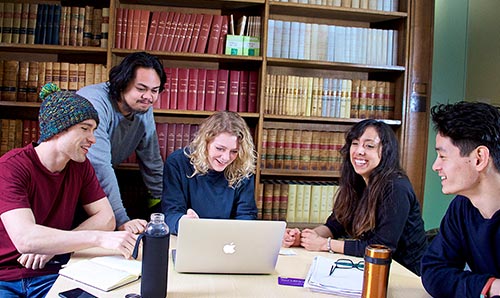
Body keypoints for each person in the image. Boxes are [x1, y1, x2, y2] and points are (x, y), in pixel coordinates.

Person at [0, 83, 137, 297]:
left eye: (93, 130)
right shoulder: (11, 167)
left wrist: (53, 247)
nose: (93, 139)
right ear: (57, 129)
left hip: (53, 273)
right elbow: (25, 239)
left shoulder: (80, 166)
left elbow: (107, 218)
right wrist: (98, 238)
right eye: (85, 129)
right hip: (5, 278)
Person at [282, 119, 427, 275]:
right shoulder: (358, 181)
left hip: (407, 275)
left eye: (369, 146)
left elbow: (381, 248)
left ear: (386, 151)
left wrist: (326, 244)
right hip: (373, 271)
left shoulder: (396, 187)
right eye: (355, 143)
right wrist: (305, 237)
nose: (359, 151)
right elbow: (335, 225)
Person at [77, 52, 167, 234]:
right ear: (122, 82)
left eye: (154, 90)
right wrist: (121, 219)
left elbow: (152, 160)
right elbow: (99, 165)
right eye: (141, 88)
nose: (148, 97)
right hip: (70, 185)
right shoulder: (94, 101)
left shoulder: (142, 107)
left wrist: (165, 208)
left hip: (97, 187)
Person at [421, 102, 500, 297]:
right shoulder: (462, 206)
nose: (435, 166)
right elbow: (433, 271)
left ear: (479, 158)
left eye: (442, 156)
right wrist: (490, 286)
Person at [161, 111, 258, 234]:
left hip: (229, 241)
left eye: (234, 151)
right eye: (220, 148)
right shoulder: (177, 162)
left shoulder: (242, 166)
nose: (226, 158)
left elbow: (246, 214)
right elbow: (170, 213)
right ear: (205, 142)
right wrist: (183, 222)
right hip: (188, 237)